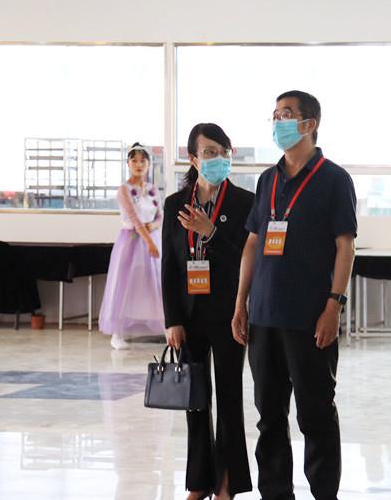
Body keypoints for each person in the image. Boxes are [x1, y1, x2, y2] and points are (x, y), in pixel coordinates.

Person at [232, 90, 357, 500]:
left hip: (308, 317)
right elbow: (253, 244)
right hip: (264, 317)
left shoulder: (334, 179)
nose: (277, 122)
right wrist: (240, 304)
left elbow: (345, 247)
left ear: (309, 124)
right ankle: (275, 493)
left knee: (315, 413)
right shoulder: (267, 180)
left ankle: (324, 493)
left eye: (286, 114)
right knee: (269, 416)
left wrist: (333, 305)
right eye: (274, 115)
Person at [162, 123, 254, 500]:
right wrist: (172, 319)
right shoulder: (175, 204)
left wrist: (210, 231)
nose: (218, 159)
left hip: (230, 312)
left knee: (230, 398)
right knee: (195, 400)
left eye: (224, 152)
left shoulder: (244, 202)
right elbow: (169, 266)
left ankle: (228, 480)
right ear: (193, 158)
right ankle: (199, 481)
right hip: (190, 315)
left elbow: (246, 258)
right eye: (210, 152)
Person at [98, 143, 165, 350]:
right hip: (131, 242)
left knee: (156, 283)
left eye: (143, 161)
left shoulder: (152, 190)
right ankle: (117, 333)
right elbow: (134, 219)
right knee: (124, 284)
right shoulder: (123, 190)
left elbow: (160, 215)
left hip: (152, 239)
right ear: (128, 164)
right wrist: (149, 241)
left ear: (149, 164)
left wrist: (154, 227)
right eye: (134, 160)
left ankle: (165, 327)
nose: (139, 164)